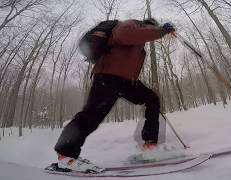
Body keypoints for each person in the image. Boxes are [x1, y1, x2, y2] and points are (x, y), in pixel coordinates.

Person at [53, 18, 175, 172]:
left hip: (125, 81)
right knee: (91, 115)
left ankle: (150, 145)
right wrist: (160, 31)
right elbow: (123, 34)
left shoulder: (140, 44)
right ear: (147, 25)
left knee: (152, 98)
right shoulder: (132, 24)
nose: (150, 34)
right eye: (151, 29)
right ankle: (65, 156)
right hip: (107, 75)